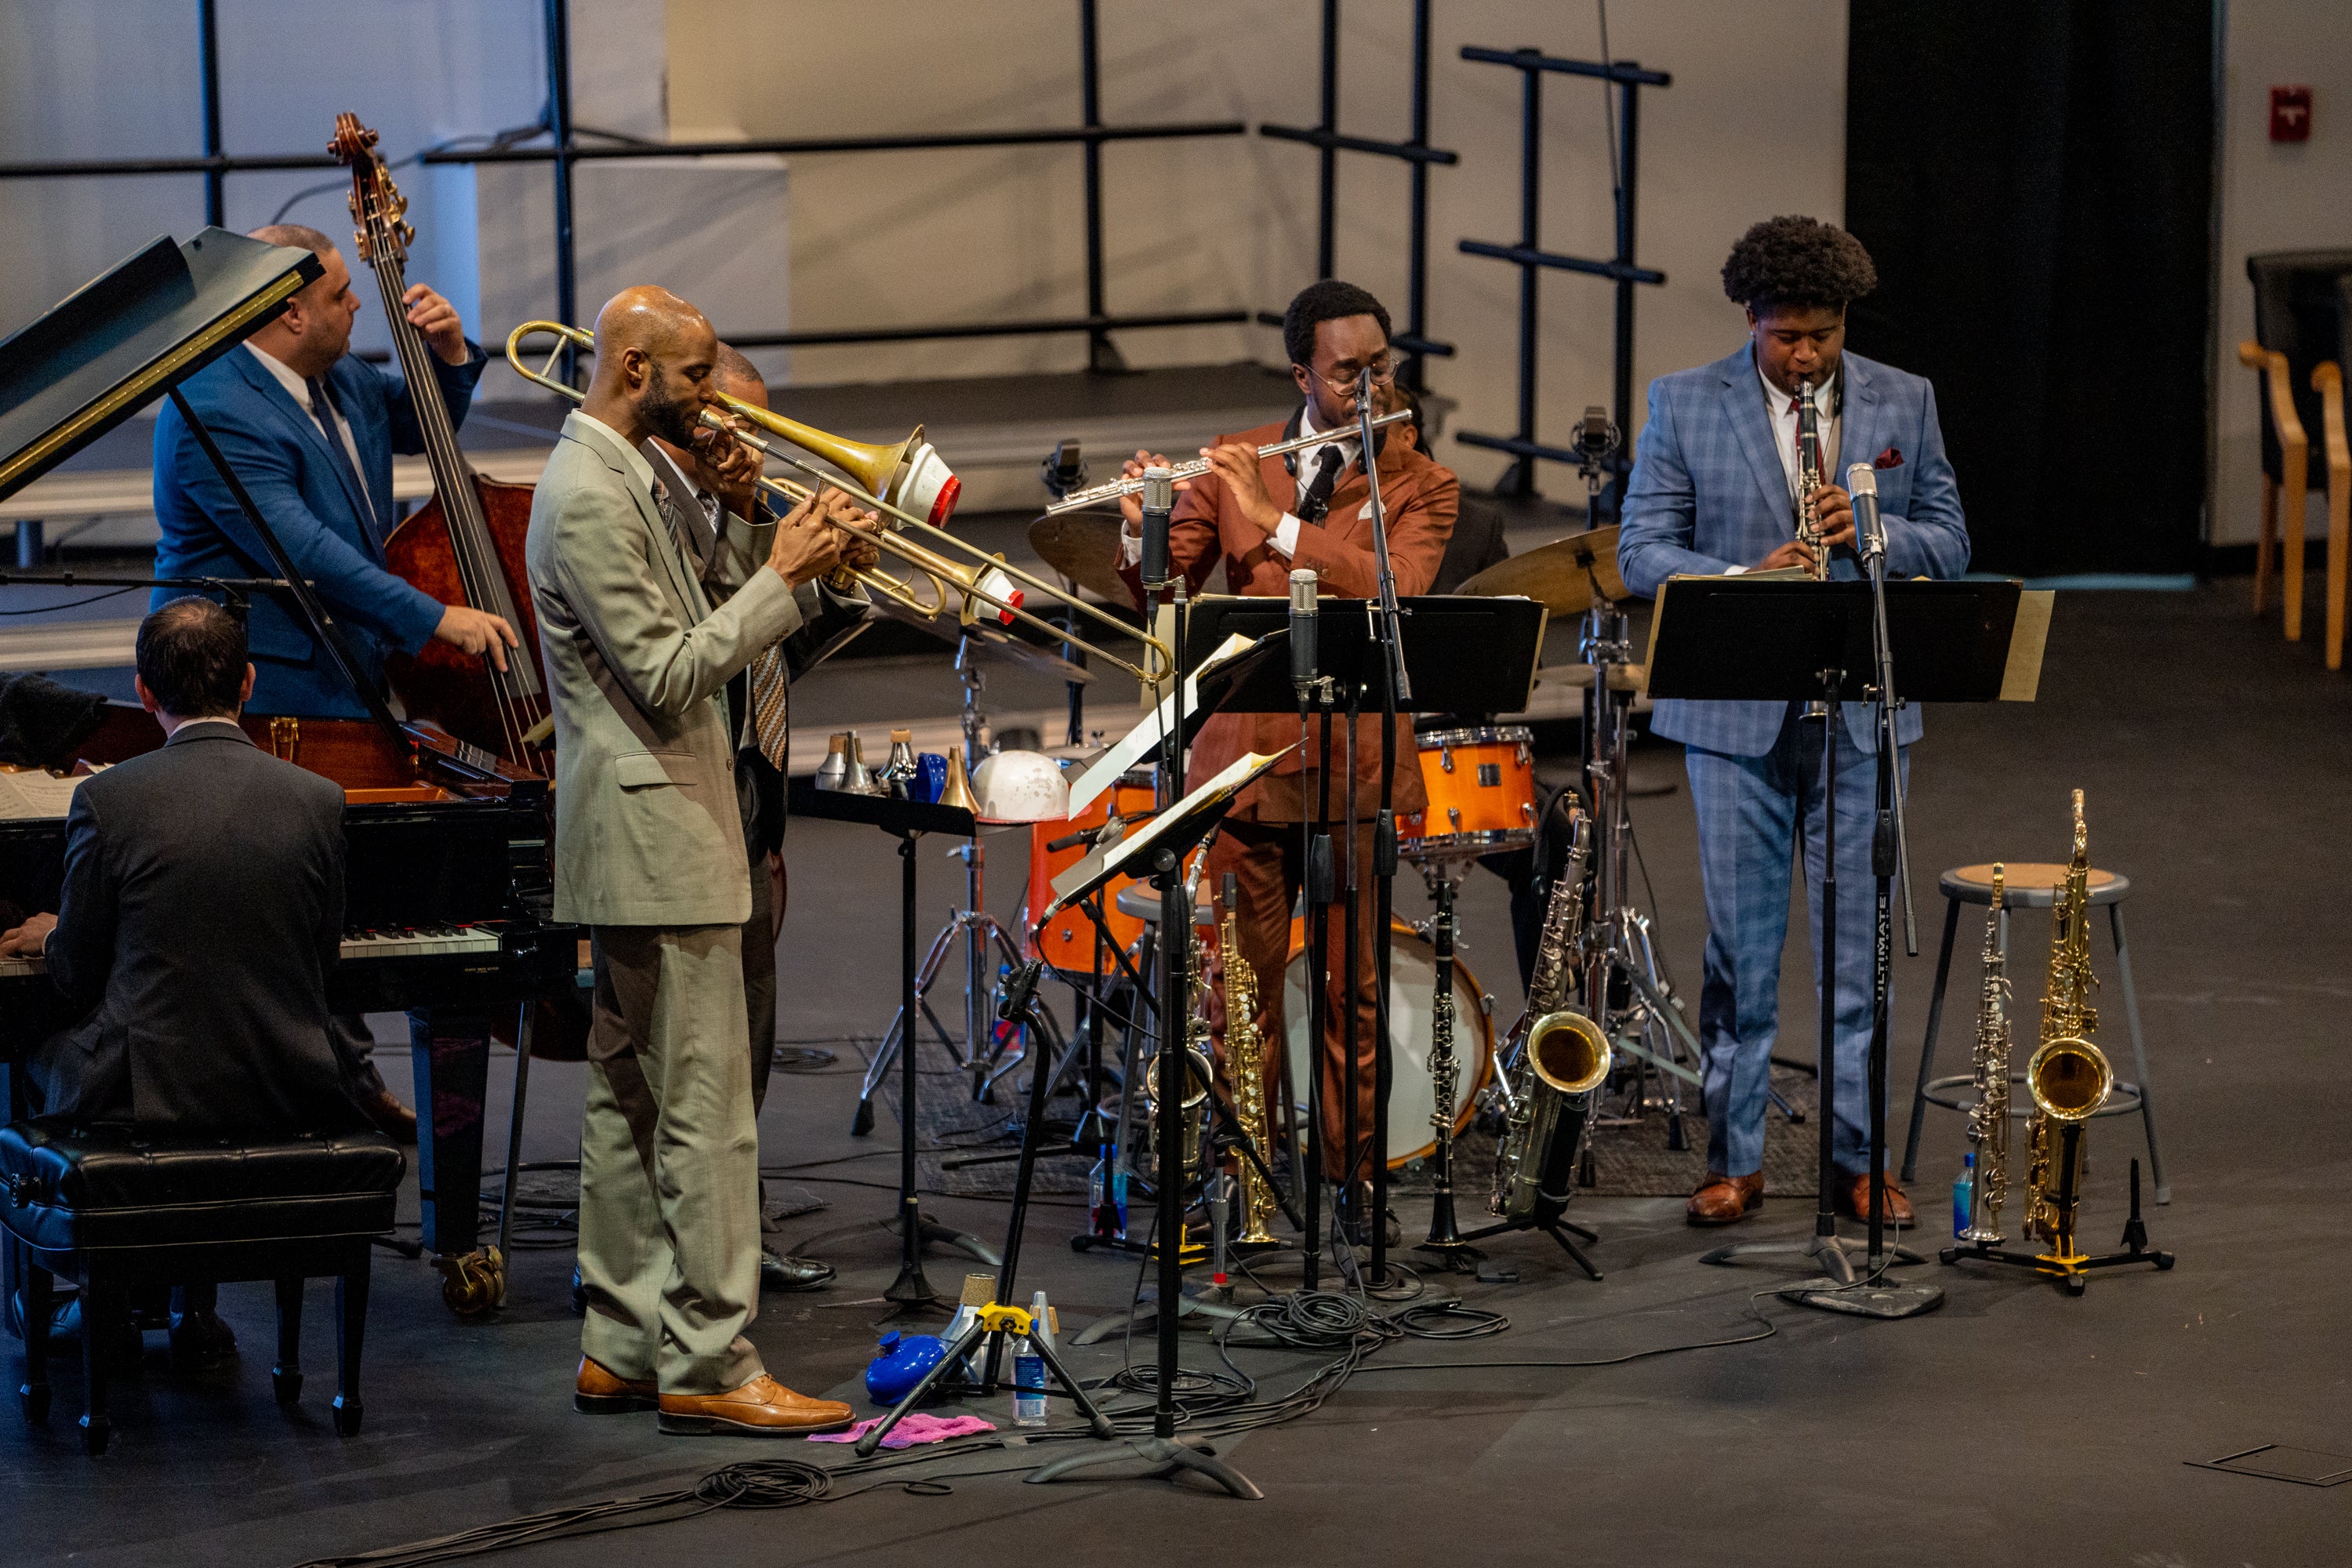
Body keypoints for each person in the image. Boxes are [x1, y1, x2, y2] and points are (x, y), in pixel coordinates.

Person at [528, 284, 866, 1436]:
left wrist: (743, 531)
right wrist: (788, 573)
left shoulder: (628, 475)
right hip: (658, 834)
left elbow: (691, 609)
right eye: (698, 375)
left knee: (628, 1101)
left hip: (654, 831)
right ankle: (714, 1360)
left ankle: (621, 1345)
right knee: (708, 1111)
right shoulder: (585, 493)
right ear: (633, 371)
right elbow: (671, 672)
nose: (715, 397)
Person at [1616, 215, 1971, 1227]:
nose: (1806, 357)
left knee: (1858, 952)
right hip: (1734, 723)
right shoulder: (1684, 402)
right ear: (1752, 321)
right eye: (1786, 339)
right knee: (1741, 952)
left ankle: (1858, 1163)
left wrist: (1875, 532)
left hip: (1861, 716)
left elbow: (1948, 539)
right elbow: (1643, 551)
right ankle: (1737, 1159)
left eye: (1820, 336)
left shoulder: (1905, 398)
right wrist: (1740, 576)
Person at [1109, 279, 1457, 1240]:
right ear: (1305, 373)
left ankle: (1356, 1192)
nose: (1371, 382)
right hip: (1246, 771)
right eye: (1350, 369)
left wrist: (1271, 518)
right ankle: (1248, 1190)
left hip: (1354, 775)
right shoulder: (1242, 455)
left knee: (1353, 996)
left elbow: (1396, 585)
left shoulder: (1419, 481)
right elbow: (1164, 589)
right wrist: (1145, 516)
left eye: (1382, 363)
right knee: (1240, 997)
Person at [1, 597, 371, 1367]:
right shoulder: (319, 800)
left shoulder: (106, 799)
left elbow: (72, 974)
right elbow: (323, 962)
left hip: (143, 1088)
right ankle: (187, 1302)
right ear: (250, 681)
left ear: (141, 692)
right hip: (286, 1078)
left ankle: (84, 1283)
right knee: (207, 1037)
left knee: (37, 1051)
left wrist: (54, 931)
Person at [640, 341, 873, 1294]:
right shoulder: (655, 518)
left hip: (751, 810)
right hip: (689, 812)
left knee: (752, 1047)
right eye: (748, 429)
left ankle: (734, 1230)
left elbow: (775, 656)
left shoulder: (736, 517)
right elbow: (693, 661)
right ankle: (688, 1257)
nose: (763, 454)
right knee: (693, 1064)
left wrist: (838, 575)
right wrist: (780, 565)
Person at [151, 223, 518, 717]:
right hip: (264, 691)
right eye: (340, 294)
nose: (356, 304)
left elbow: (419, 427)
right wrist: (434, 618)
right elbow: (303, 549)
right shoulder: (213, 409)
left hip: (346, 662)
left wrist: (449, 354)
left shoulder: (338, 370)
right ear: (292, 313)